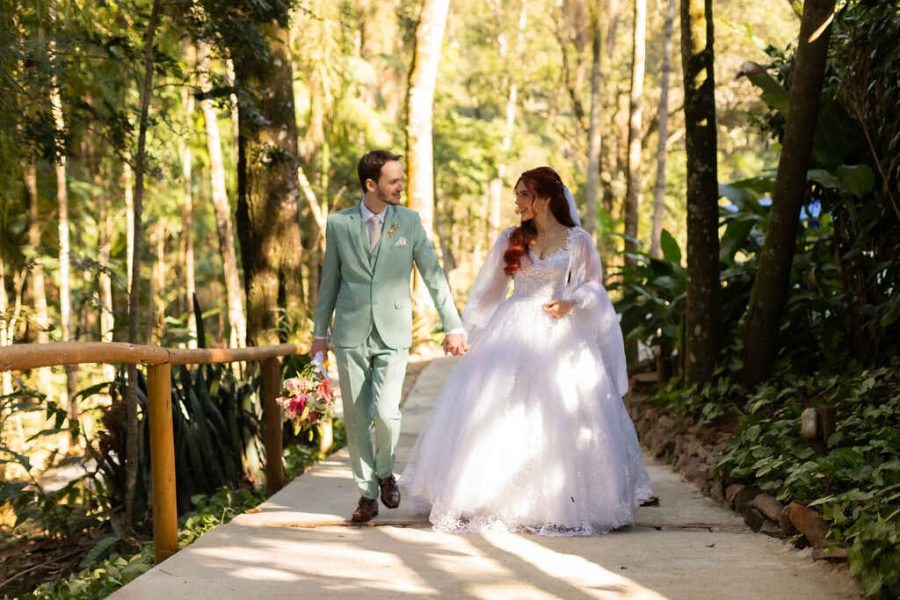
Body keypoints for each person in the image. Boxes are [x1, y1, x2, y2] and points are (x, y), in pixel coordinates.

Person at [401, 166, 653, 535]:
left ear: (545, 198)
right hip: (511, 328)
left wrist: (572, 303)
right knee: (498, 407)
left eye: (523, 194)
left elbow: (594, 287)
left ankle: (560, 500)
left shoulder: (578, 240)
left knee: (560, 412)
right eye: (517, 194)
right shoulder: (511, 238)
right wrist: (463, 329)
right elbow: (487, 290)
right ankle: (487, 498)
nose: (516, 202)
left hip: (560, 333)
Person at [312, 150, 468, 523]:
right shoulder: (339, 224)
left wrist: (453, 324)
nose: (401, 186)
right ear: (371, 185)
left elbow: (433, 273)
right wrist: (320, 334)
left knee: (385, 413)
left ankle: (385, 471)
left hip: (394, 332)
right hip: (350, 333)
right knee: (355, 417)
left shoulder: (410, 222)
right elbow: (329, 281)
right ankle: (367, 494)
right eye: (394, 181)